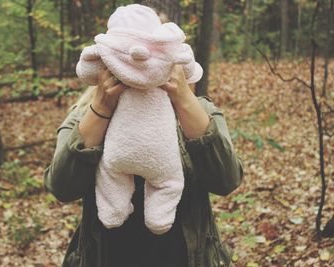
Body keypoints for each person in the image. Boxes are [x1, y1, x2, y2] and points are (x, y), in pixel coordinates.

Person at [43, 62, 243, 266]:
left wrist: (183, 100)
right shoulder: (84, 114)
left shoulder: (199, 110)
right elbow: (62, 188)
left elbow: (226, 180)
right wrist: (102, 109)